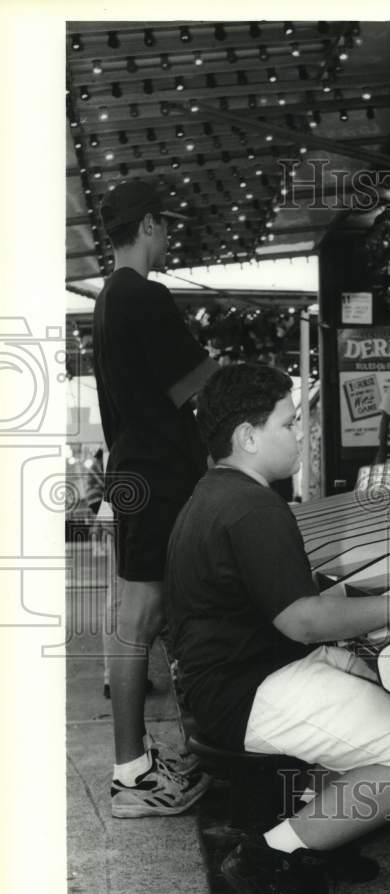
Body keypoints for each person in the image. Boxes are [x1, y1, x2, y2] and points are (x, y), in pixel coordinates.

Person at [165, 364, 390, 894]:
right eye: (289, 423)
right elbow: (304, 620)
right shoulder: (254, 508)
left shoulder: (215, 495)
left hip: (228, 677)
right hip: (247, 691)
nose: (300, 435)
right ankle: (270, 856)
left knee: (371, 680)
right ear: (248, 436)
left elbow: (287, 597)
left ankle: (320, 838)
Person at [92, 179, 218, 818]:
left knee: (144, 614)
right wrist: (214, 355)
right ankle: (131, 776)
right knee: (140, 617)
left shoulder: (107, 299)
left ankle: (143, 761)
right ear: (145, 226)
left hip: (135, 469)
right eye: (164, 225)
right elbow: (193, 380)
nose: (168, 236)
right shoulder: (145, 294)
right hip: (158, 473)